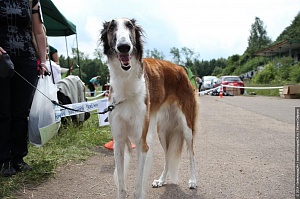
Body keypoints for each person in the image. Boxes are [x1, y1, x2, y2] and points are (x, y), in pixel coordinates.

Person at [0, 0, 47, 177]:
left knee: (21, 112)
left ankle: (19, 158)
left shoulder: (31, 0)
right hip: (2, 60)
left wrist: (42, 61)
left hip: (26, 59)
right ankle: (4, 160)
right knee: (3, 112)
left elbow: (38, 31)